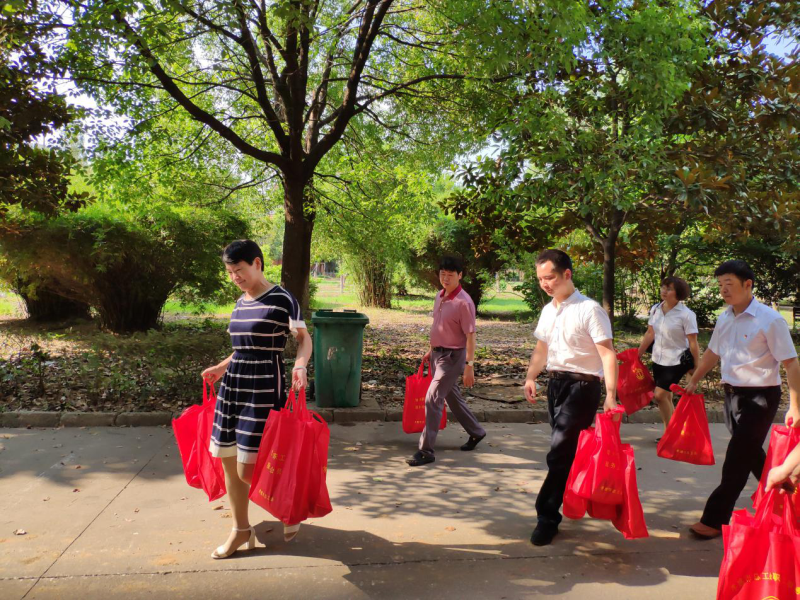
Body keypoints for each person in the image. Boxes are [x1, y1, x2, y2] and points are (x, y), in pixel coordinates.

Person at [201, 240, 312, 558]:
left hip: (263, 386)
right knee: (228, 459)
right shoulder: (240, 302)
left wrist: (300, 366)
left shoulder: (282, 299)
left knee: (249, 468)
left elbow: (304, 339)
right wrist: (221, 367)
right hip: (233, 386)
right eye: (230, 272)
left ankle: (289, 504)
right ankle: (240, 530)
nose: (235, 277)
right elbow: (242, 348)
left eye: (239, 270)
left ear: (257, 264)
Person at [684, 260, 800, 539]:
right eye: (720, 284)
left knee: (736, 459)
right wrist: (694, 380)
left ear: (748, 285)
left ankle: (714, 519)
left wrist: (795, 406)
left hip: (760, 398)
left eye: (729, 284)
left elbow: (791, 363)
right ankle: (783, 493)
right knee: (750, 453)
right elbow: (712, 353)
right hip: (732, 395)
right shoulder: (725, 317)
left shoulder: (769, 320)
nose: (723, 290)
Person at [523, 249, 619, 546]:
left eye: (550, 277)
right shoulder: (548, 310)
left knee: (559, 451)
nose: (545, 284)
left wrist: (611, 395)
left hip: (582, 388)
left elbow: (607, 353)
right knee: (565, 452)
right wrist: (531, 376)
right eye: (540, 279)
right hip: (556, 385)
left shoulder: (589, 309)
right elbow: (542, 349)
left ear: (567, 274)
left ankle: (546, 516)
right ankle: (573, 496)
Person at [406, 256, 486, 467]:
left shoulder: (464, 303)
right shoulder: (439, 296)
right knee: (452, 397)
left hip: (452, 358)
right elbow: (440, 327)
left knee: (433, 397)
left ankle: (426, 451)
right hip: (437, 355)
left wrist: (469, 366)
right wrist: (430, 350)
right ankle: (476, 431)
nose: (446, 278)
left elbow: (470, 336)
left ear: (460, 276)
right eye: (443, 274)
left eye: (451, 275)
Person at [637, 277, 700, 434]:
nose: (664, 291)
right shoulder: (656, 309)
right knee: (667, 397)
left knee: (659, 396)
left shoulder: (686, 315)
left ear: (678, 293)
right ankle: (673, 433)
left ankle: (669, 434)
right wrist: (638, 354)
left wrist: (696, 366)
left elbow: (693, 342)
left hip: (677, 360)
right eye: (663, 287)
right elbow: (650, 333)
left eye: (669, 288)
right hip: (658, 358)